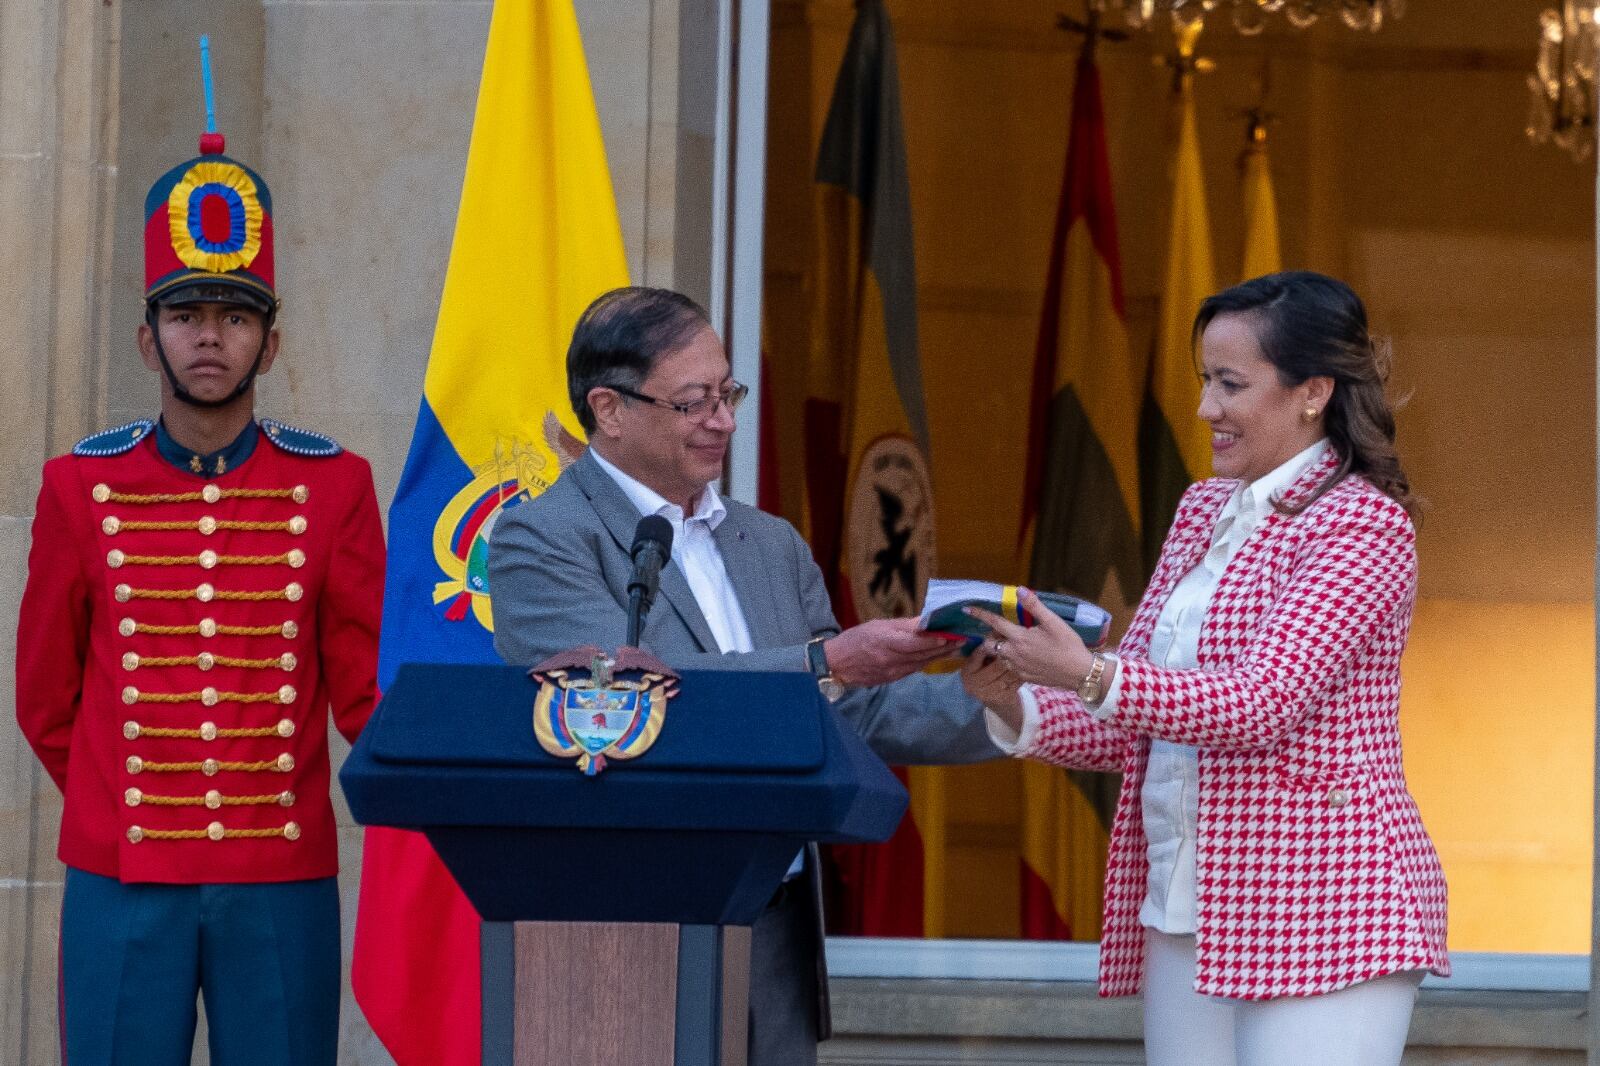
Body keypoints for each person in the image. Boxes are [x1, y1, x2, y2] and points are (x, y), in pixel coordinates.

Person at [487, 285, 998, 1066]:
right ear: (609, 408)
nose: (724, 420)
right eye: (695, 401)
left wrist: (1025, 701)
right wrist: (823, 662)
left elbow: (849, 713)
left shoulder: (769, 543)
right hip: (623, 930)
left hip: (775, 918)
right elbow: (620, 697)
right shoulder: (541, 538)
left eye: (728, 393)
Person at [963, 271, 1448, 1066]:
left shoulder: (1363, 522)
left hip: (1322, 902)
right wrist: (1020, 699)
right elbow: (1147, 719)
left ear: (1312, 392)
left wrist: (1088, 673)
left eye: (1229, 384)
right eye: (1203, 382)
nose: (1204, 409)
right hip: (1184, 903)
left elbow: (1262, 703)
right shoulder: (1202, 510)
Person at [14, 117, 385, 1065]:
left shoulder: (335, 486)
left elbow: (365, 690)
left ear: (269, 342)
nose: (209, 338)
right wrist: (117, 796)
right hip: (121, 875)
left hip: (281, 874)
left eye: (235, 317)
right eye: (186, 316)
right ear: (149, 340)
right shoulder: (78, 487)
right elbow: (45, 695)